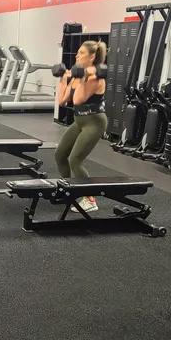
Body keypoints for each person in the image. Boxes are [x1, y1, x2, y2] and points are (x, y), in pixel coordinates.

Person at [54, 41, 108, 214]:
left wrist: (81, 77)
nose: (76, 56)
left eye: (81, 53)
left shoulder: (95, 77)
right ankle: (71, 191)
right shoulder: (79, 74)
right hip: (79, 121)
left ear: (92, 57)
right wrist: (64, 79)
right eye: (77, 52)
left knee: (75, 160)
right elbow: (62, 100)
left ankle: (89, 199)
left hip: (94, 122)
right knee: (60, 154)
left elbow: (77, 100)